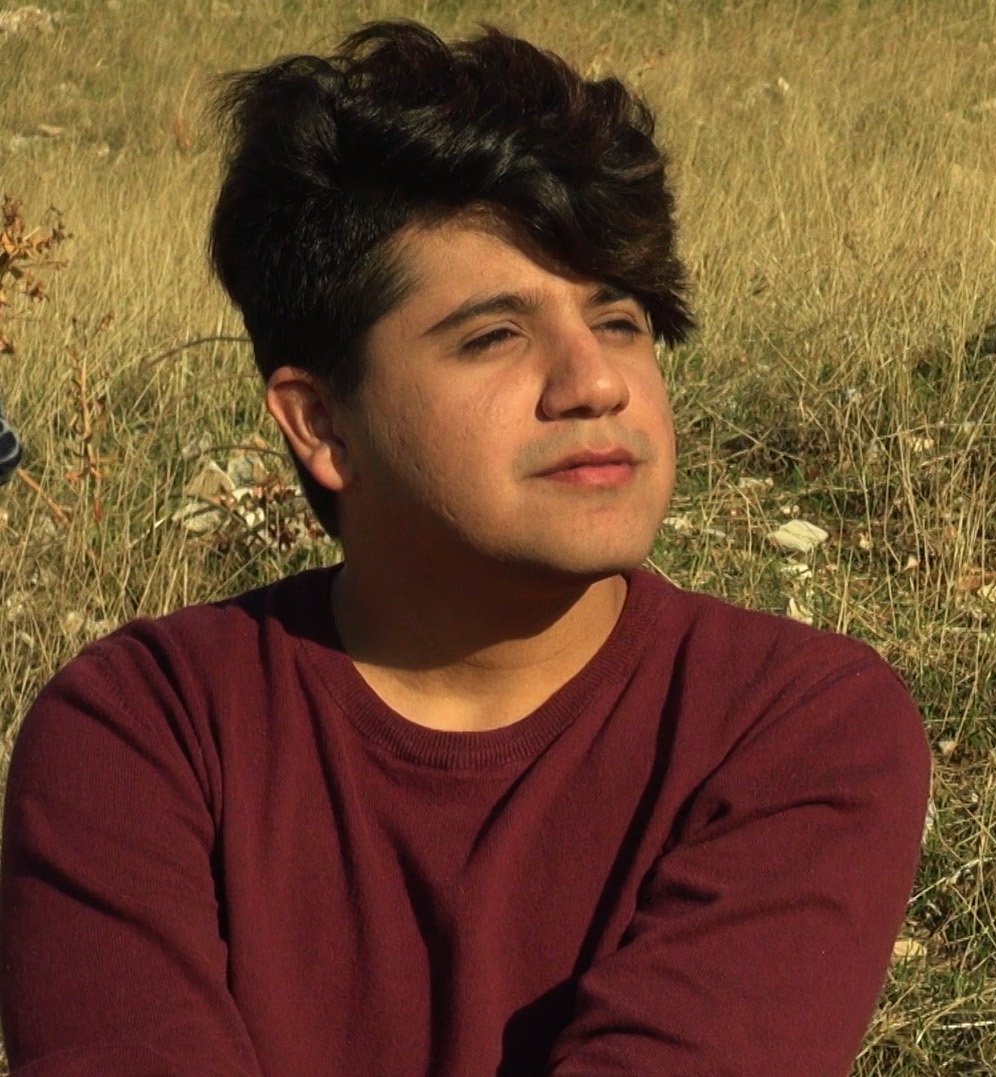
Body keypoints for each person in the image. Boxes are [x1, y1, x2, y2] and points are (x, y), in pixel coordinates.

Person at [0, 21, 931, 1076]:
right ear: (322, 425)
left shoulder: (793, 724)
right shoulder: (146, 730)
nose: (595, 383)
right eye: (494, 336)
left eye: (620, 321)